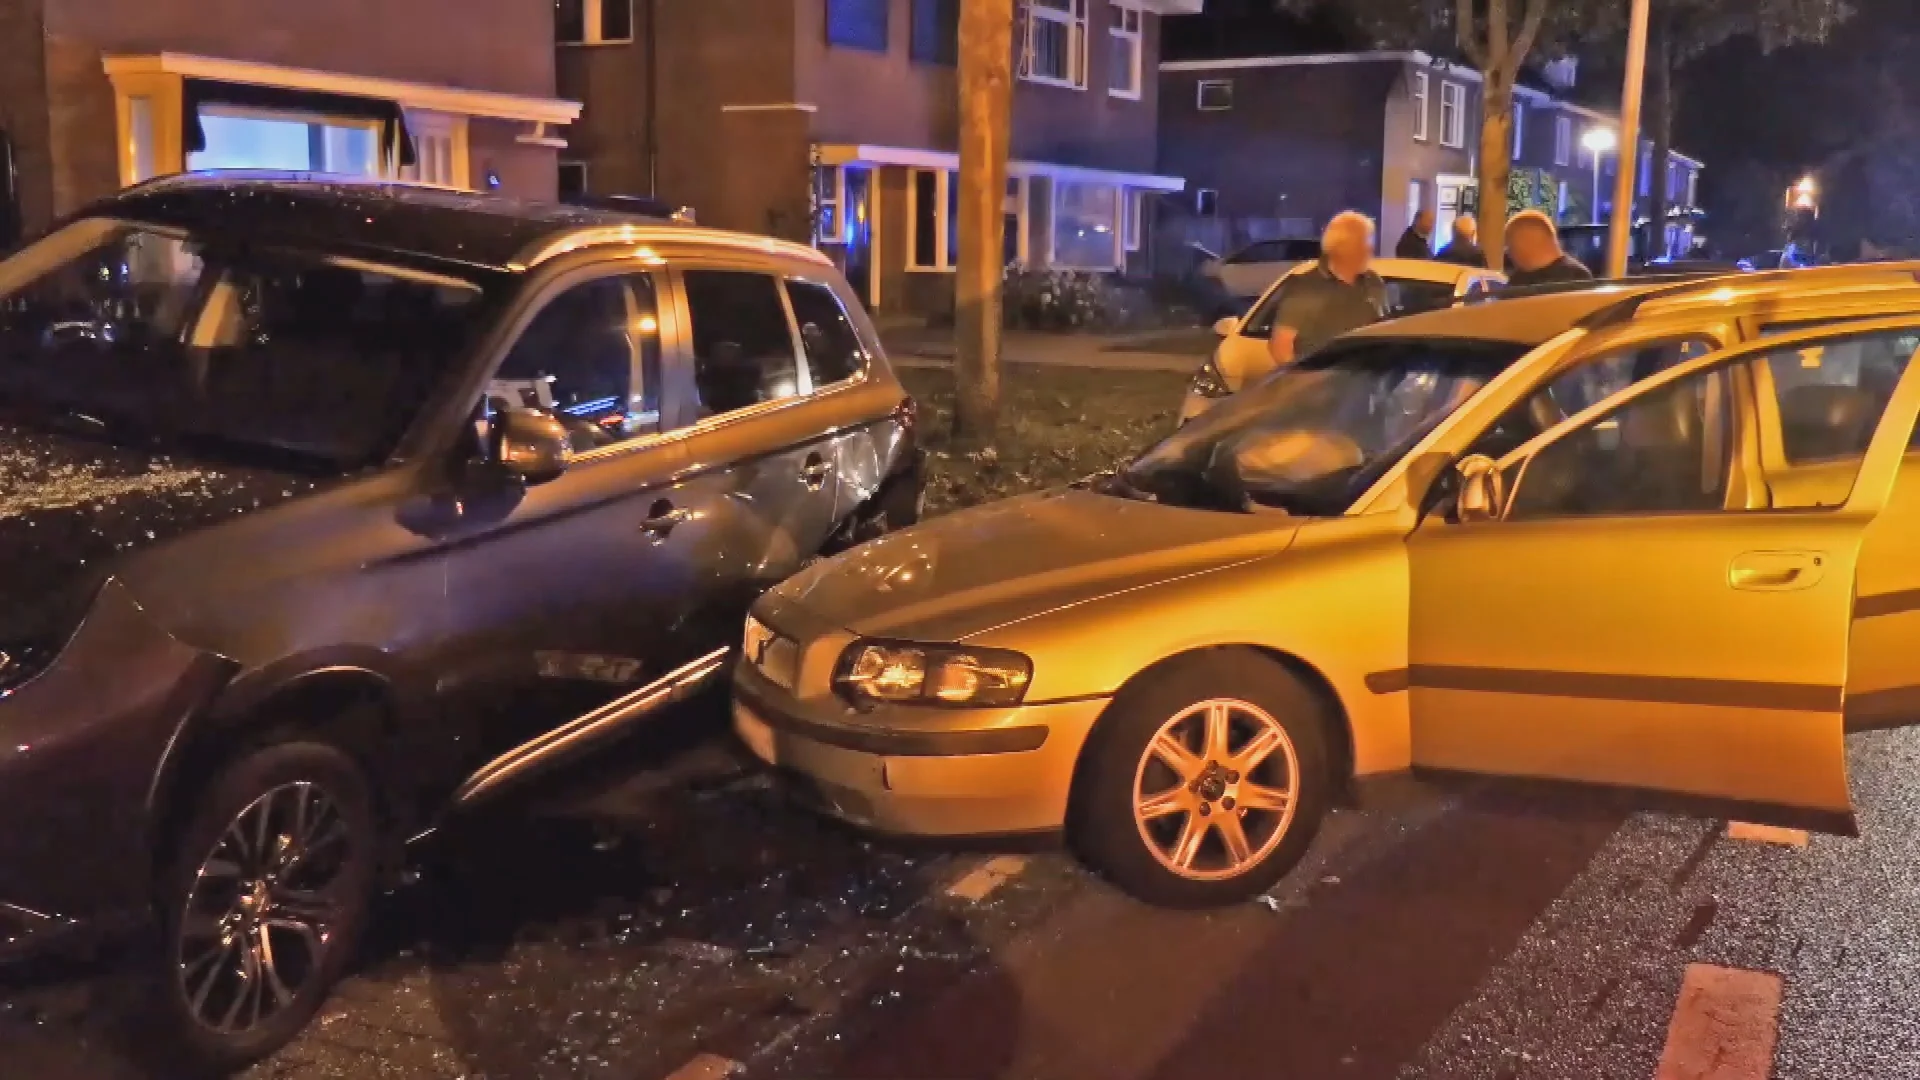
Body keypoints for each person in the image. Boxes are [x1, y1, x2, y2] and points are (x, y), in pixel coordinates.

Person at [1267, 211, 1387, 369]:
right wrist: (1303, 383)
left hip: (1366, 386)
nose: (1370, 250)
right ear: (1340, 246)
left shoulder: (1374, 283)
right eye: (1363, 243)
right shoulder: (1305, 288)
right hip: (1322, 388)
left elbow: (1385, 333)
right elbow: (1280, 347)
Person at [1505, 210, 1593, 288]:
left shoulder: (1576, 278)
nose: (1508, 253)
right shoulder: (1518, 279)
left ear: (1526, 242)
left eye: (1510, 245)